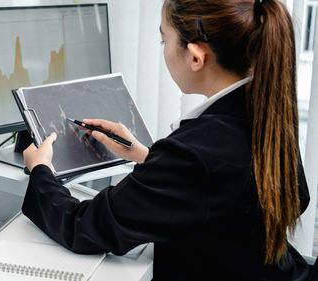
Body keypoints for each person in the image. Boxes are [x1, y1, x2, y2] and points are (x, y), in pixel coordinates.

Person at [21, 0, 310, 280]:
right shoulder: (264, 111)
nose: (164, 51)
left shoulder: (193, 155)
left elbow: (82, 226)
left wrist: (41, 170)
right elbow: (269, 193)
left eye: (165, 41)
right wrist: (149, 159)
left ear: (196, 57)